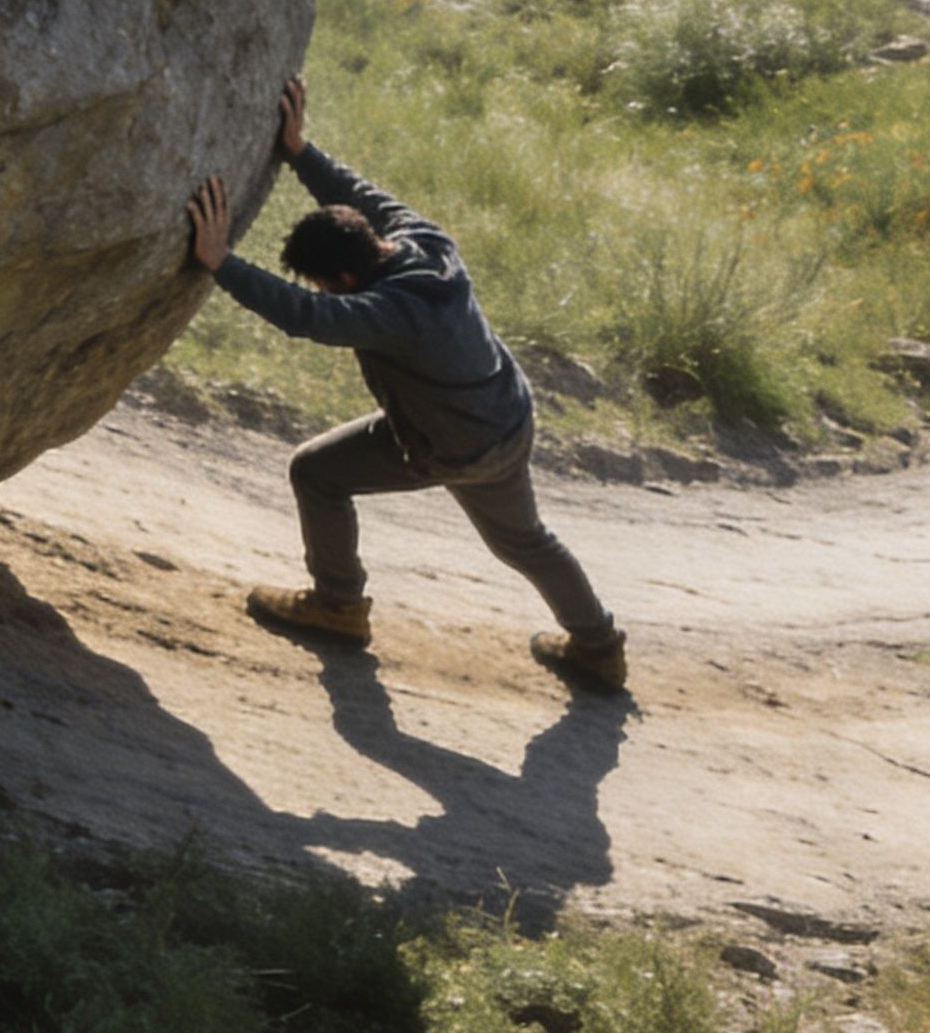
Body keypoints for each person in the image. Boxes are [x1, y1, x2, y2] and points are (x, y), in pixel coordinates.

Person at [183, 77, 627, 693]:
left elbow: (306, 317)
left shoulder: (393, 312)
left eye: (324, 282)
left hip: (457, 447)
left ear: (344, 275)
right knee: (526, 542)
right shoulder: (422, 241)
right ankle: (599, 647)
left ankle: (337, 607)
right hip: (507, 419)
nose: (320, 292)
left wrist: (220, 262)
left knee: (317, 473)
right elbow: (360, 195)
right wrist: (300, 151)